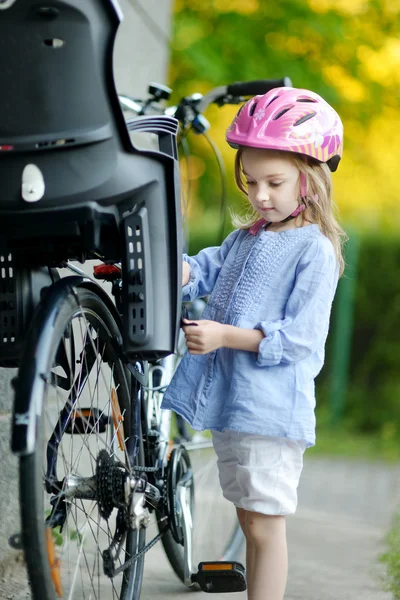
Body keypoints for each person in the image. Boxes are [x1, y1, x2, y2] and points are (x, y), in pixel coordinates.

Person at [162, 87, 346, 600]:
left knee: (265, 528)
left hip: (268, 411)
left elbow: (300, 340)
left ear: (311, 181)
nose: (260, 195)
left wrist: (223, 336)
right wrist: (178, 270)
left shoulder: (314, 250)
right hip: (232, 407)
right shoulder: (247, 237)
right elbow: (204, 271)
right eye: (251, 181)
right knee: (249, 520)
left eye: (275, 183)